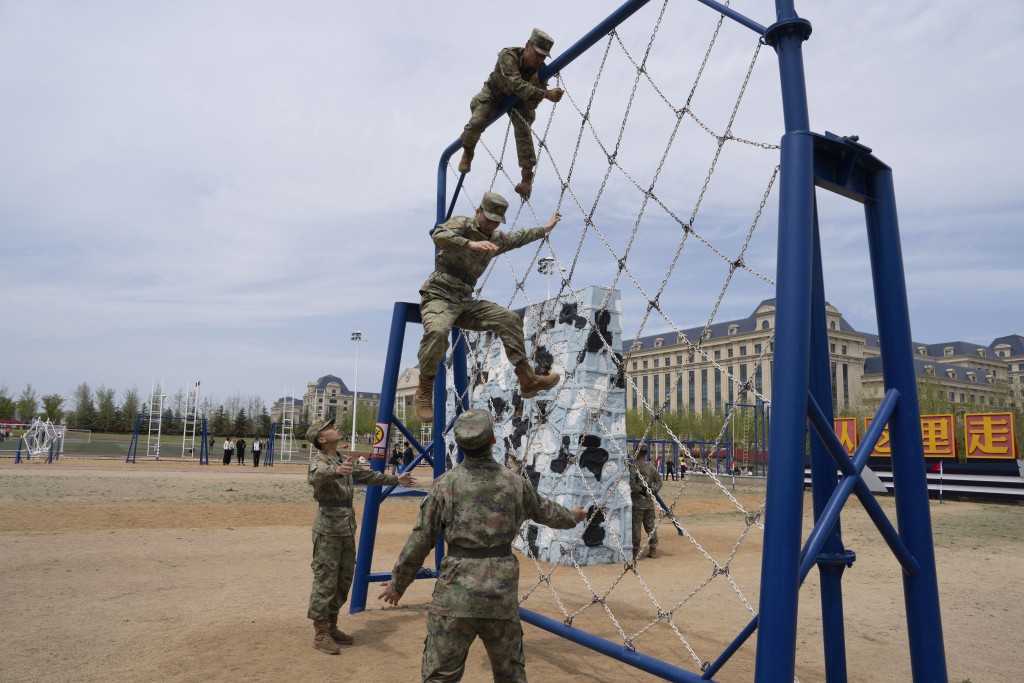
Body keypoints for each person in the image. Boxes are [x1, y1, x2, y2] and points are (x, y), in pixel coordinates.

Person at [378, 408, 586, 682]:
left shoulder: (444, 485)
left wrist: (398, 583)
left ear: (460, 444)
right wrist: (575, 516)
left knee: (440, 675)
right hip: (499, 594)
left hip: (455, 593)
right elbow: (546, 512)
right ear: (493, 441)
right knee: (510, 673)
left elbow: (421, 539)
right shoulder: (514, 483)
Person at [414, 191, 562, 423]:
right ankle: (424, 390)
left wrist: (545, 228)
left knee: (509, 319)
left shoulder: (495, 238)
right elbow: (439, 235)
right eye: (489, 218)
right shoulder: (462, 224)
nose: (492, 224)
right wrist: (469, 243)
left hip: (464, 301)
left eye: (496, 221)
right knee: (438, 332)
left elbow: (518, 238)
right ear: (478, 212)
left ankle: (528, 379)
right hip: (440, 295)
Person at [306, 416, 416, 656]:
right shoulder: (320, 461)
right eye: (329, 427)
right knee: (325, 580)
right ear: (322, 439)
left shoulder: (341, 459)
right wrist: (336, 471)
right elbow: (316, 475)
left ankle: (332, 625)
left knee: (343, 579)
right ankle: (321, 632)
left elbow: (367, 476)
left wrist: (395, 479)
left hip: (346, 529)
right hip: (328, 530)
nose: (336, 427)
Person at [457, 28, 563, 200]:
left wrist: (540, 87)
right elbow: (516, 84)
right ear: (527, 46)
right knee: (476, 123)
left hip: (517, 101)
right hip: (494, 94)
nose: (540, 59)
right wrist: (545, 94)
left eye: (543, 56)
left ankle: (526, 179)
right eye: (537, 54)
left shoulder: (540, 70)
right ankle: (468, 151)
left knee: (523, 128)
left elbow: (532, 104)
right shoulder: (508, 56)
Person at [629, 443, 663, 560]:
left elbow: (632, 483)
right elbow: (659, 481)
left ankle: (635, 551)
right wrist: (651, 491)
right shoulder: (652, 466)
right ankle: (653, 549)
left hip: (637, 502)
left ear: (637, 452)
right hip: (649, 502)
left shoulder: (634, 467)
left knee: (636, 527)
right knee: (650, 527)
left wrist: (641, 491)